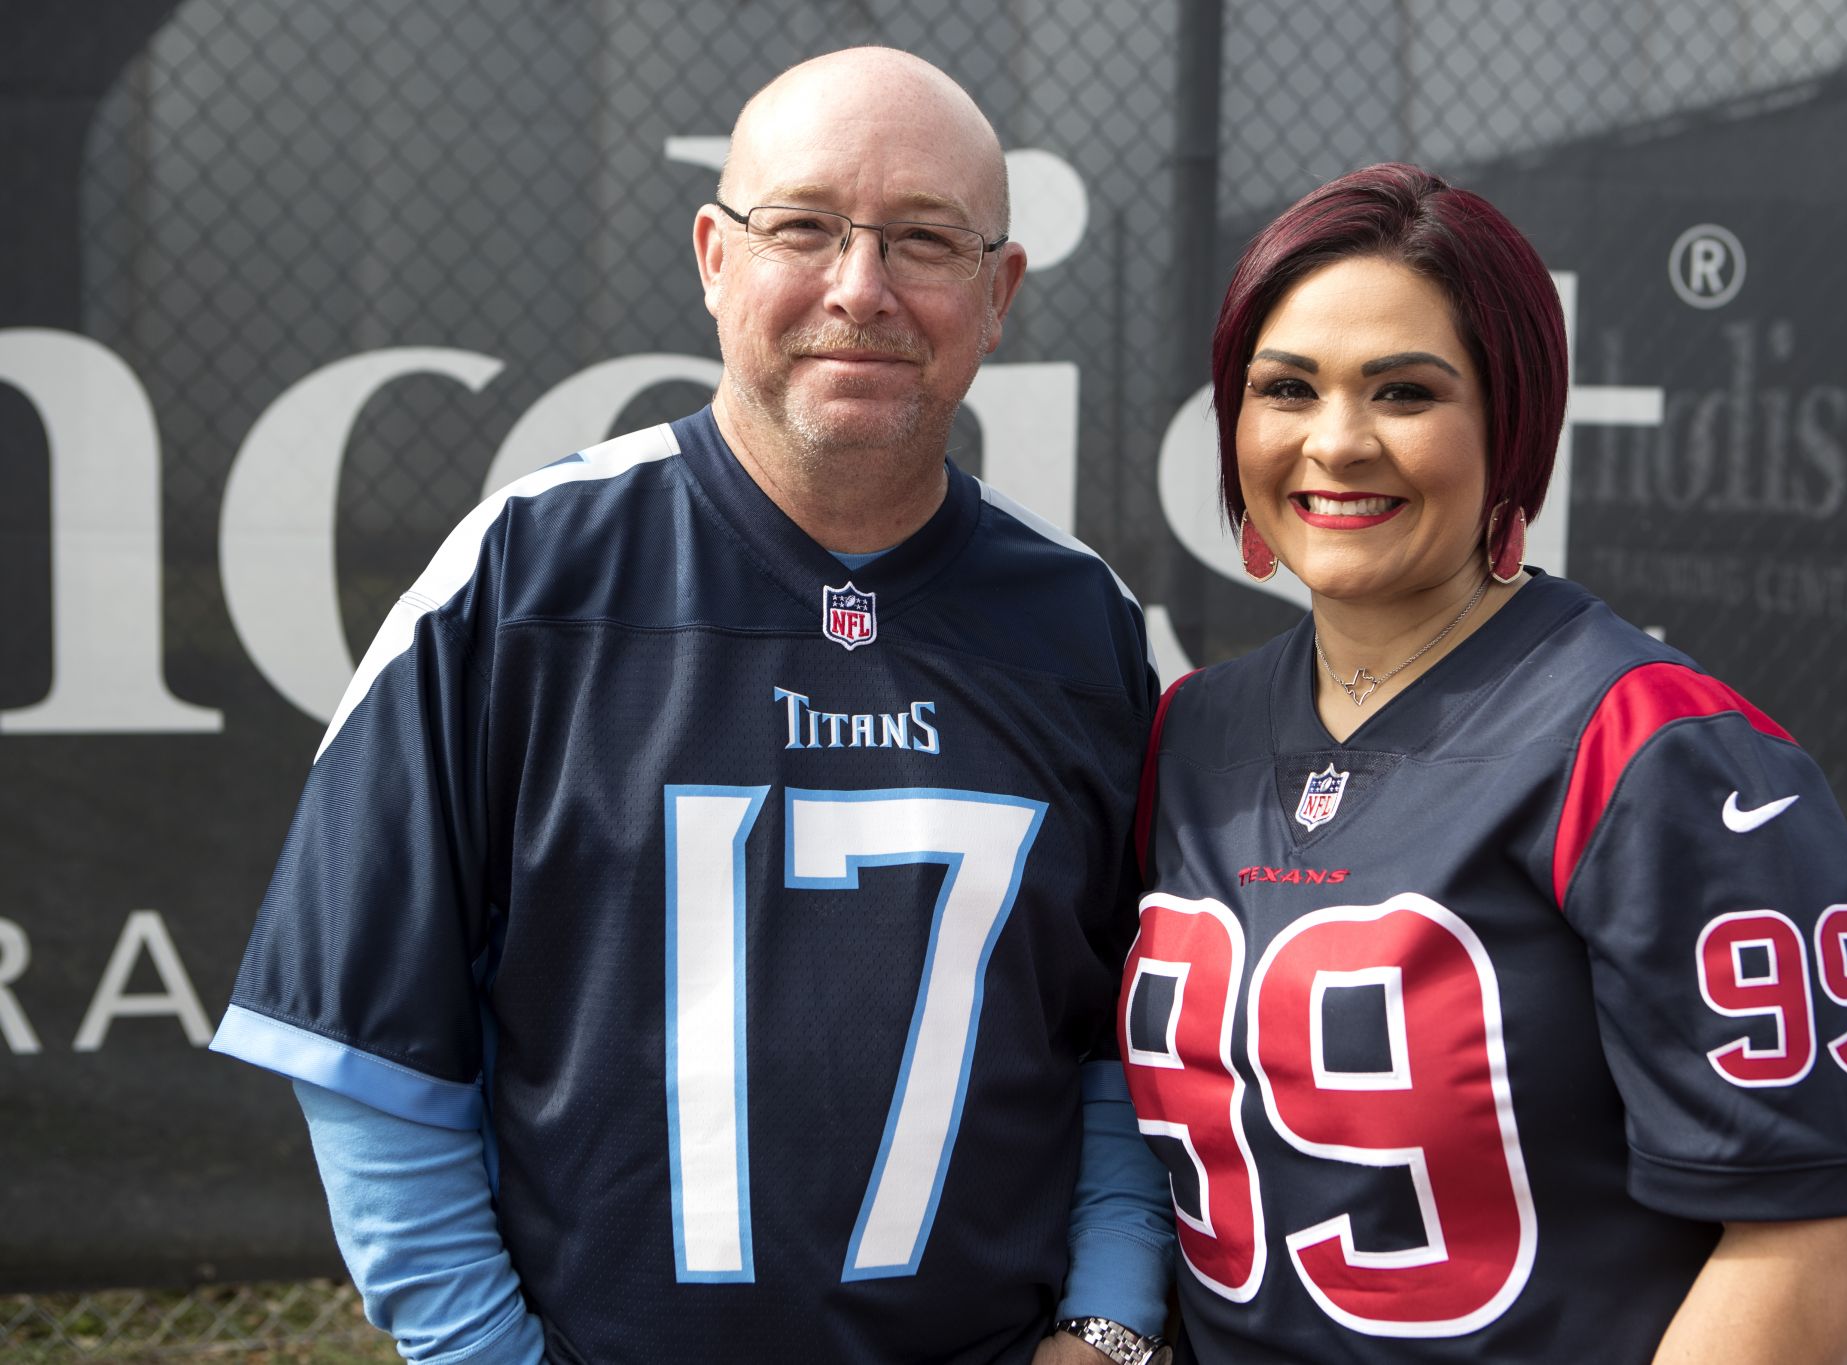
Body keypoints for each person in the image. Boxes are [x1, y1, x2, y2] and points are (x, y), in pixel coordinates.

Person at [211, 47, 1173, 1365]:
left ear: (998, 292)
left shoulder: (1082, 629)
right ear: (715, 257)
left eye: (926, 240)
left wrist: (1109, 1323)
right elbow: (372, 1056)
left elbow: (1128, 1043)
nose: (862, 287)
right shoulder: (518, 578)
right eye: (805, 228)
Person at [1118, 163, 1847, 1363]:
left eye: (1404, 391)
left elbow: (1810, 1244)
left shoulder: (1662, 755)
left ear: (1510, 417)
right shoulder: (1192, 732)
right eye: (1286, 388)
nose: (1336, 441)